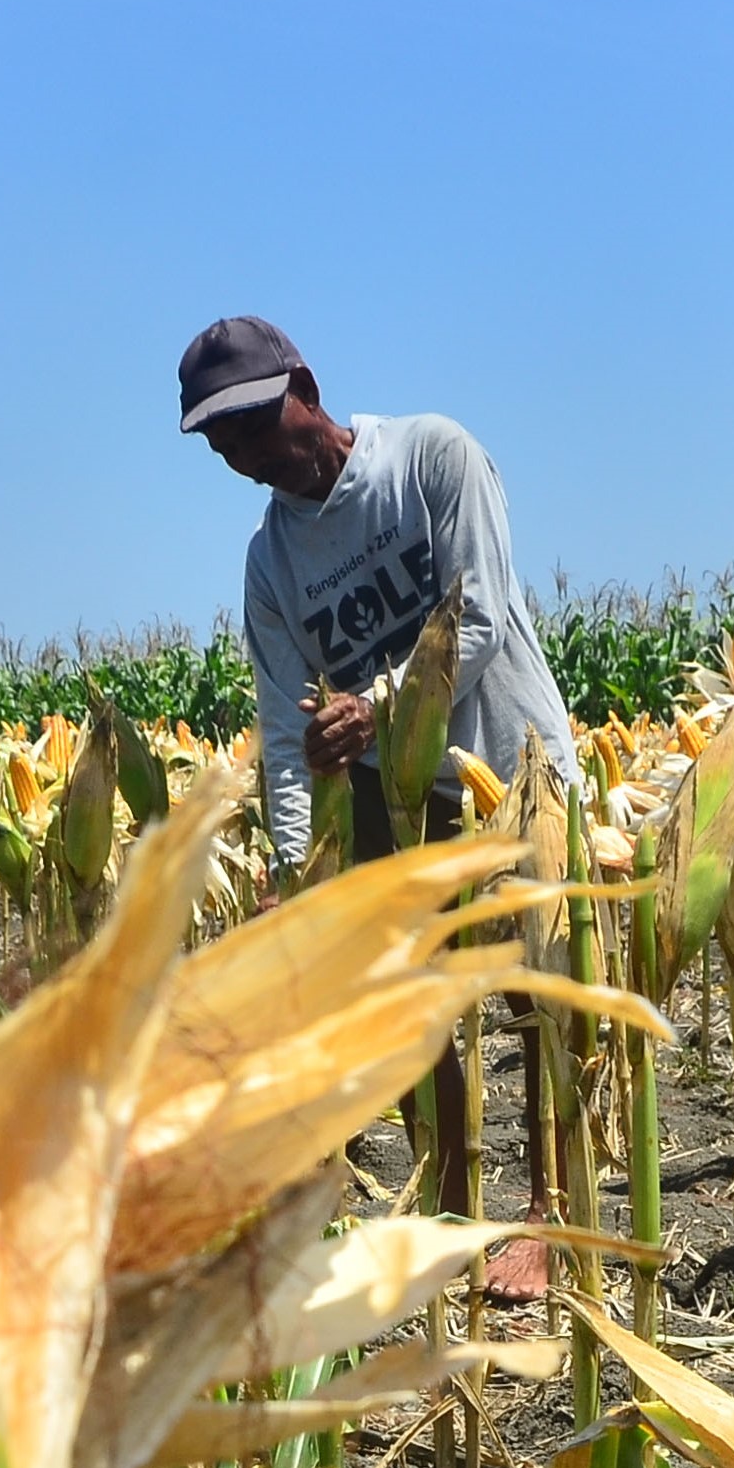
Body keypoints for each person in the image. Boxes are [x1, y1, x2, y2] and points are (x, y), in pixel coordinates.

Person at [181, 317, 578, 1219]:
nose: (246, 456)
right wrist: (295, 869)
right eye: (222, 444)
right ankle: (450, 1201)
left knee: (539, 993)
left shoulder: (433, 459)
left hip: (509, 763)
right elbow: (287, 730)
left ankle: (546, 1208)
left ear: (306, 391)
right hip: (394, 798)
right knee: (410, 1002)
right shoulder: (270, 564)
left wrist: (379, 704)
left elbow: (480, 620)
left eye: (254, 426)